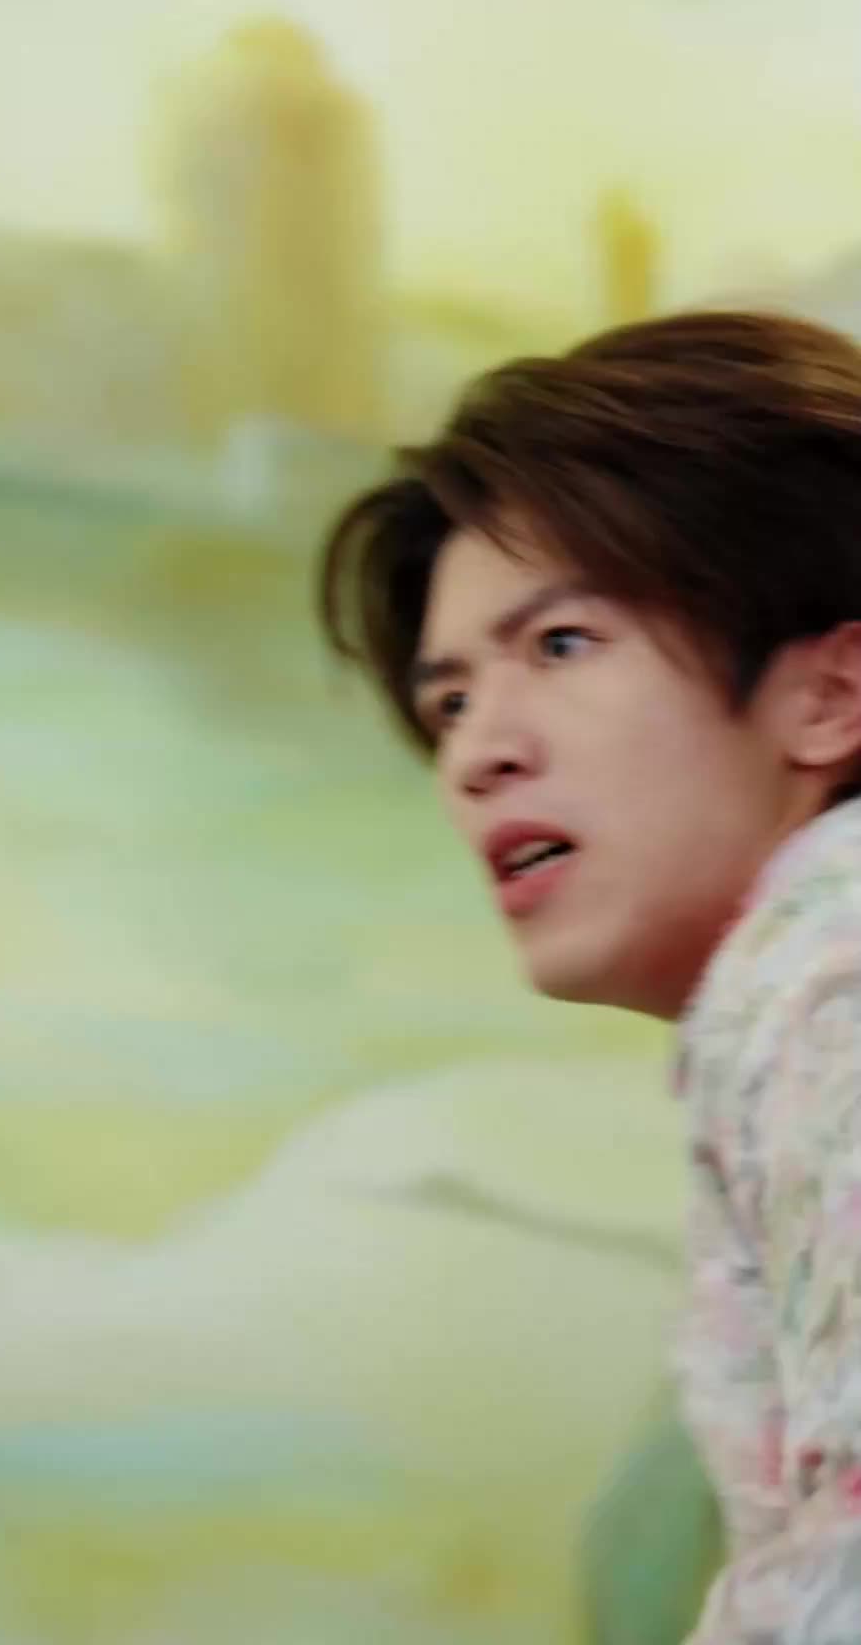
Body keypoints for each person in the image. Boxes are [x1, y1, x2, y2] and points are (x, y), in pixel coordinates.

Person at [317, 310, 861, 1641]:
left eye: (560, 645)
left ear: (834, 693)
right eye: (449, 702)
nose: (476, 755)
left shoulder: (826, 976)